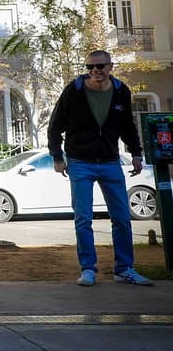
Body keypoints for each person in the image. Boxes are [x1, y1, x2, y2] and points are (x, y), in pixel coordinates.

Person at [47, 50, 153, 287]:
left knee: (122, 218)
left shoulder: (120, 91)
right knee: (83, 218)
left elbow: (127, 126)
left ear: (110, 67)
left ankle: (124, 269)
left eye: (100, 66)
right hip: (80, 162)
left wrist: (136, 153)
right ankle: (88, 269)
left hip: (109, 162)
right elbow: (55, 126)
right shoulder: (74, 91)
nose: (95, 71)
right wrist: (57, 157)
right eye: (90, 67)